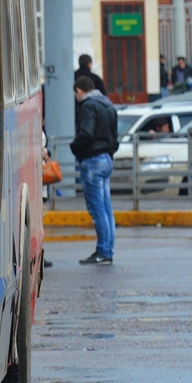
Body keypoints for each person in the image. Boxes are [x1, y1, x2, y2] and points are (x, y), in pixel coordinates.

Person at [71, 76, 118, 266]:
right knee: (106, 209)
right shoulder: (108, 105)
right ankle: (107, 250)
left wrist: (75, 148)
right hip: (106, 159)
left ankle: (102, 251)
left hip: (92, 161)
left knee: (97, 209)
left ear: (79, 91)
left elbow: (86, 133)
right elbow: (114, 137)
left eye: (75, 94)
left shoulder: (88, 106)